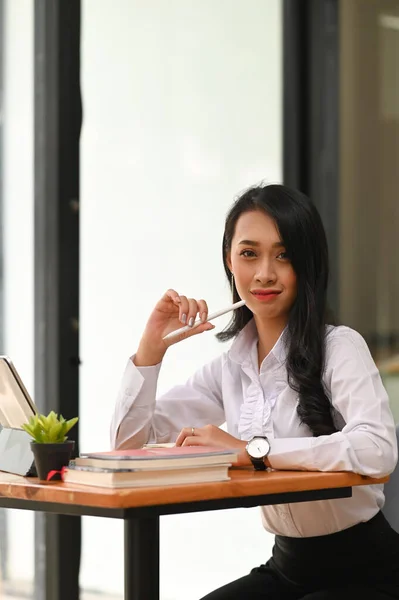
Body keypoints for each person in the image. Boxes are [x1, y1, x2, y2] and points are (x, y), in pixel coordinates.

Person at [110, 184, 399, 599]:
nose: (264, 272)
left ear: (308, 264)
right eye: (249, 253)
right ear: (229, 260)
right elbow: (128, 444)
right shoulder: (231, 367)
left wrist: (252, 449)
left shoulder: (339, 346)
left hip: (369, 570)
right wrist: (150, 349)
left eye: (283, 255)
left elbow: (377, 448)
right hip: (286, 568)